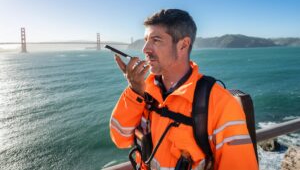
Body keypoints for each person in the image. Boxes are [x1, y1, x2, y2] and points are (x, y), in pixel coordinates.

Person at [109, 9, 258, 170]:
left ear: (183, 45)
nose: (145, 49)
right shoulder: (144, 93)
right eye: (146, 40)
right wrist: (134, 91)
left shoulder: (221, 104)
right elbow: (120, 139)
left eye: (156, 40)